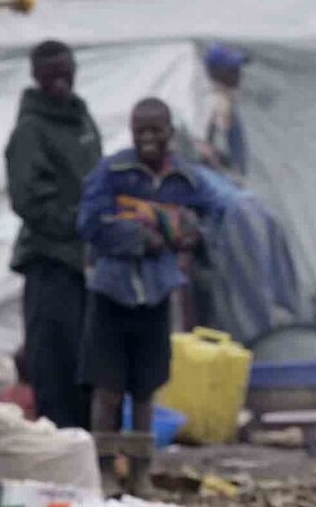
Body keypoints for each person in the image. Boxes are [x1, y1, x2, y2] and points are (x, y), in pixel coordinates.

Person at [78, 98, 218, 496]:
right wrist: (142, 236)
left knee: (145, 389)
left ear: (170, 132)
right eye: (140, 130)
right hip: (111, 293)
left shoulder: (187, 181)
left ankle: (141, 472)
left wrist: (188, 233)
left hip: (157, 295)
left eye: (156, 130)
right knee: (106, 389)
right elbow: (88, 222)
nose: (148, 139)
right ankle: (104, 472)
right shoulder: (112, 171)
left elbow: (214, 216)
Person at [7, 40, 103, 431]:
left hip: (87, 262)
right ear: (36, 77)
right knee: (54, 362)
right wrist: (76, 221)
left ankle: (86, 444)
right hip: (50, 262)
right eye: (51, 77)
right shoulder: (30, 131)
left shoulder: (82, 119)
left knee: (87, 360)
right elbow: (29, 200)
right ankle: (60, 442)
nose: (60, 84)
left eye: (66, 74)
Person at [200, 44, 247, 178]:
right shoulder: (214, 101)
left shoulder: (226, 100)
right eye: (233, 70)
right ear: (217, 73)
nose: (239, 75)